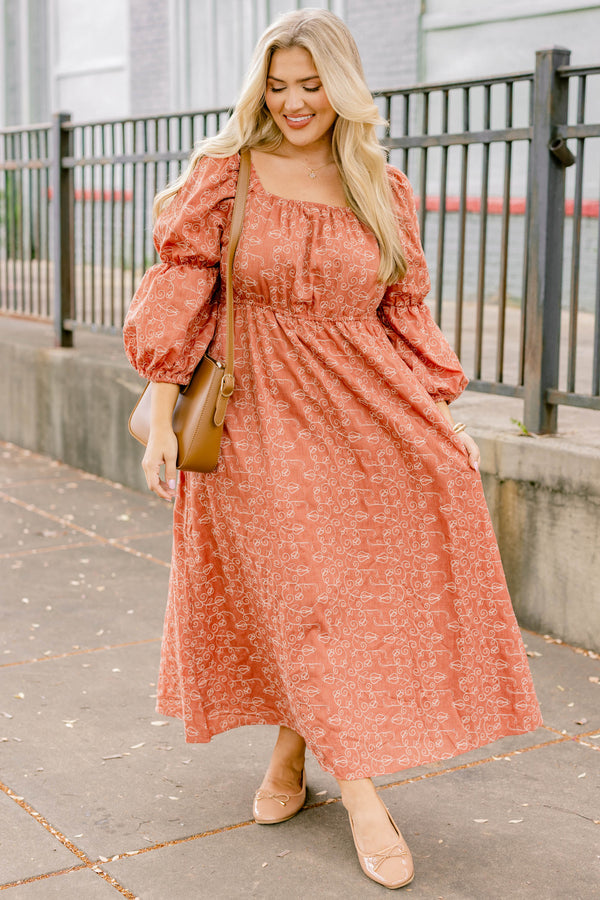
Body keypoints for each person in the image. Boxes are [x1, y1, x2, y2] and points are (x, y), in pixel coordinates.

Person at [123, 8, 542, 890]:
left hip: (365, 410)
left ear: (344, 86)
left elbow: (401, 314)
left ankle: (290, 755)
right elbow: (183, 290)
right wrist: (160, 414)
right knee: (310, 592)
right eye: (278, 85)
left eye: (311, 85)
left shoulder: (380, 188)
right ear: (259, 88)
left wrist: (436, 412)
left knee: (338, 603)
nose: (295, 102)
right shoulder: (226, 176)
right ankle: (365, 801)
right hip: (258, 414)